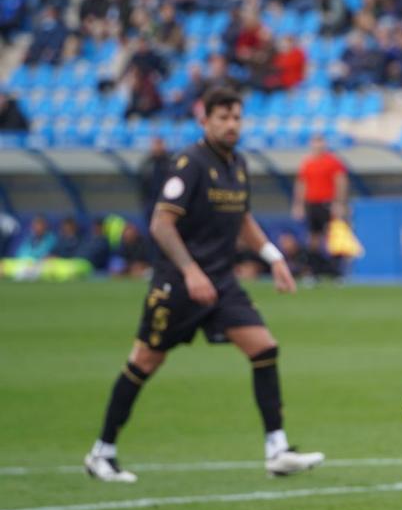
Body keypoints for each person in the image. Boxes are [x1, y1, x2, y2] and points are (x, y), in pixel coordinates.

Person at [83, 88, 324, 483]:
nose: (231, 125)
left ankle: (277, 449)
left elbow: (243, 219)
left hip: (222, 283)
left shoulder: (239, 164)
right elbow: (161, 223)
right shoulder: (190, 164)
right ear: (204, 120)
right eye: (222, 118)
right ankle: (101, 452)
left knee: (264, 347)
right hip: (178, 284)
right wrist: (191, 272)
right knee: (144, 361)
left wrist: (274, 258)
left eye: (236, 118)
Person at [292, 133, 348, 276]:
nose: (317, 145)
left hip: (327, 203)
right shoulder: (307, 163)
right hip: (312, 204)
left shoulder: (333, 162)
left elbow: (340, 182)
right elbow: (301, 184)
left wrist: (339, 203)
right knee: (313, 238)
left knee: (333, 236)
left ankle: (336, 272)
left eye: (320, 142)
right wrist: (299, 205)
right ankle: (314, 272)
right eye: (315, 142)